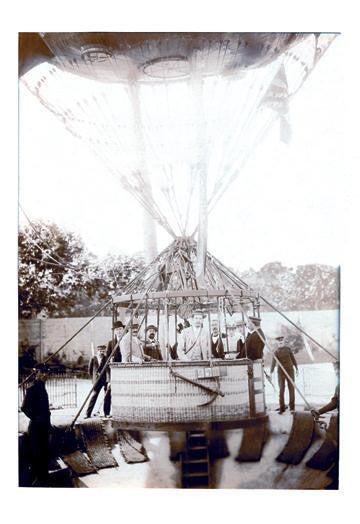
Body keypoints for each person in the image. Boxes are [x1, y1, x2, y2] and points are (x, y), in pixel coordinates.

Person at [21, 364, 52, 486]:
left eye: (47, 373)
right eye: (42, 372)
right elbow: (24, 407)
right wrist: (36, 418)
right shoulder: (32, 388)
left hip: (44, 426)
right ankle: (37, 482)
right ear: (36, 373)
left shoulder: (42, 387)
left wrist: (48, 425)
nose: (45, 375)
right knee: (37, 454)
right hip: (36, 428)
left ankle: (44, 480)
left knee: (44, 453)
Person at [270, 335, 299, 414]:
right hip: (281, 372)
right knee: (281, 390)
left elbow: (293, 359)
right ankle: (282, 408)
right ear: (277, 343)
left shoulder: (288, 349)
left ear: (283, 342)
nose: (280, 343)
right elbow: (273, 363)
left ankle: (292, 408)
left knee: (291, 389)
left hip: (290, 371)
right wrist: (271, 372)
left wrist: (296, 368)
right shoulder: (276, 352)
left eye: (281, 341)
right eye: (279, 342)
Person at [85, 345, 111, 418]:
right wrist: (94, 378)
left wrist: (109, 381)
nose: (102, 353)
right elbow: (89, 370)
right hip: (97, 381)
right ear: (98, 351)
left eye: (103, 351)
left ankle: (107, 413)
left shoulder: (106, 358)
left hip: (105, 380)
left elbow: (108, 370)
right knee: (94, 396)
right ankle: (87, 414)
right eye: (101, 351)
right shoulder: (93, 358)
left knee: (107, 397)